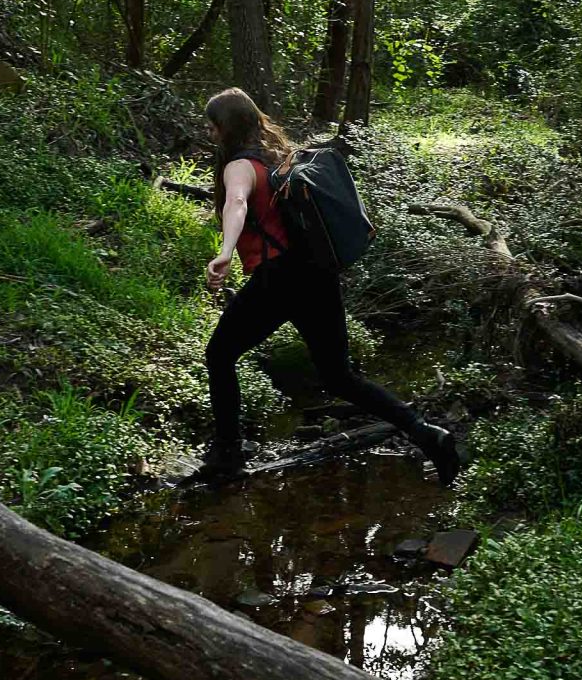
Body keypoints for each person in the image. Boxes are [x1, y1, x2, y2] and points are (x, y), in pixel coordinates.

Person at [195, 87, 463, 486]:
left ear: (227, 127)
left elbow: (237, 203)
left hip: (278, 279)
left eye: (213, 126)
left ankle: (228, 455)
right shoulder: (280, 157)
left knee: (219, 355)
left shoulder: (239, 166)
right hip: (316, 275)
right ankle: (427, 434)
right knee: (339, 377)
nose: (210, 134)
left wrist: (226, 250)